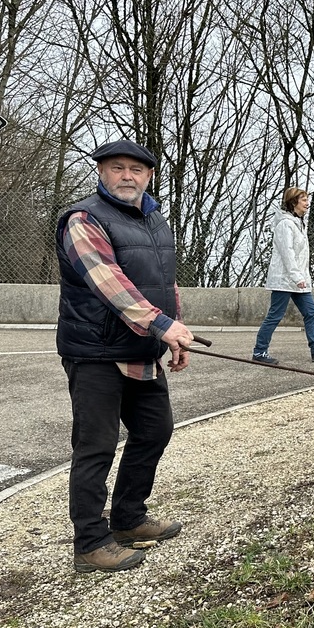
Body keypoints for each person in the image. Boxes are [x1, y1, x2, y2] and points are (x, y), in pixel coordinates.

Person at [57, 139, 195, 573]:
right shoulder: (84, 219)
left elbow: (165, 283)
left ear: (149, 175)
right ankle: (90, 542)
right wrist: (161, 324)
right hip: (96, 351)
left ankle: (128, 518)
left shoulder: (155, 221)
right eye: (117, 168)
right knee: (95, 446)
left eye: (136, 169)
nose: (127, 176)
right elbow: (108, 281)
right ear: (101, 172)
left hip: (142, 348)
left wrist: (174, 332)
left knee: (155, 430)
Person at [252, 187, 314, 365]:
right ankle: (259, 352)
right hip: (284, 280)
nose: (307, 203)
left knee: (311, 312)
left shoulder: (298, 223)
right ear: (293, 202)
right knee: (275, 315)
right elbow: (288, 253)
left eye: (307, 199)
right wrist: (297, 277)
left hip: (299, 281)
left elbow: (301, 256)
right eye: (304, 200)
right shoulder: (285, 224)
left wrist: (302, 278)